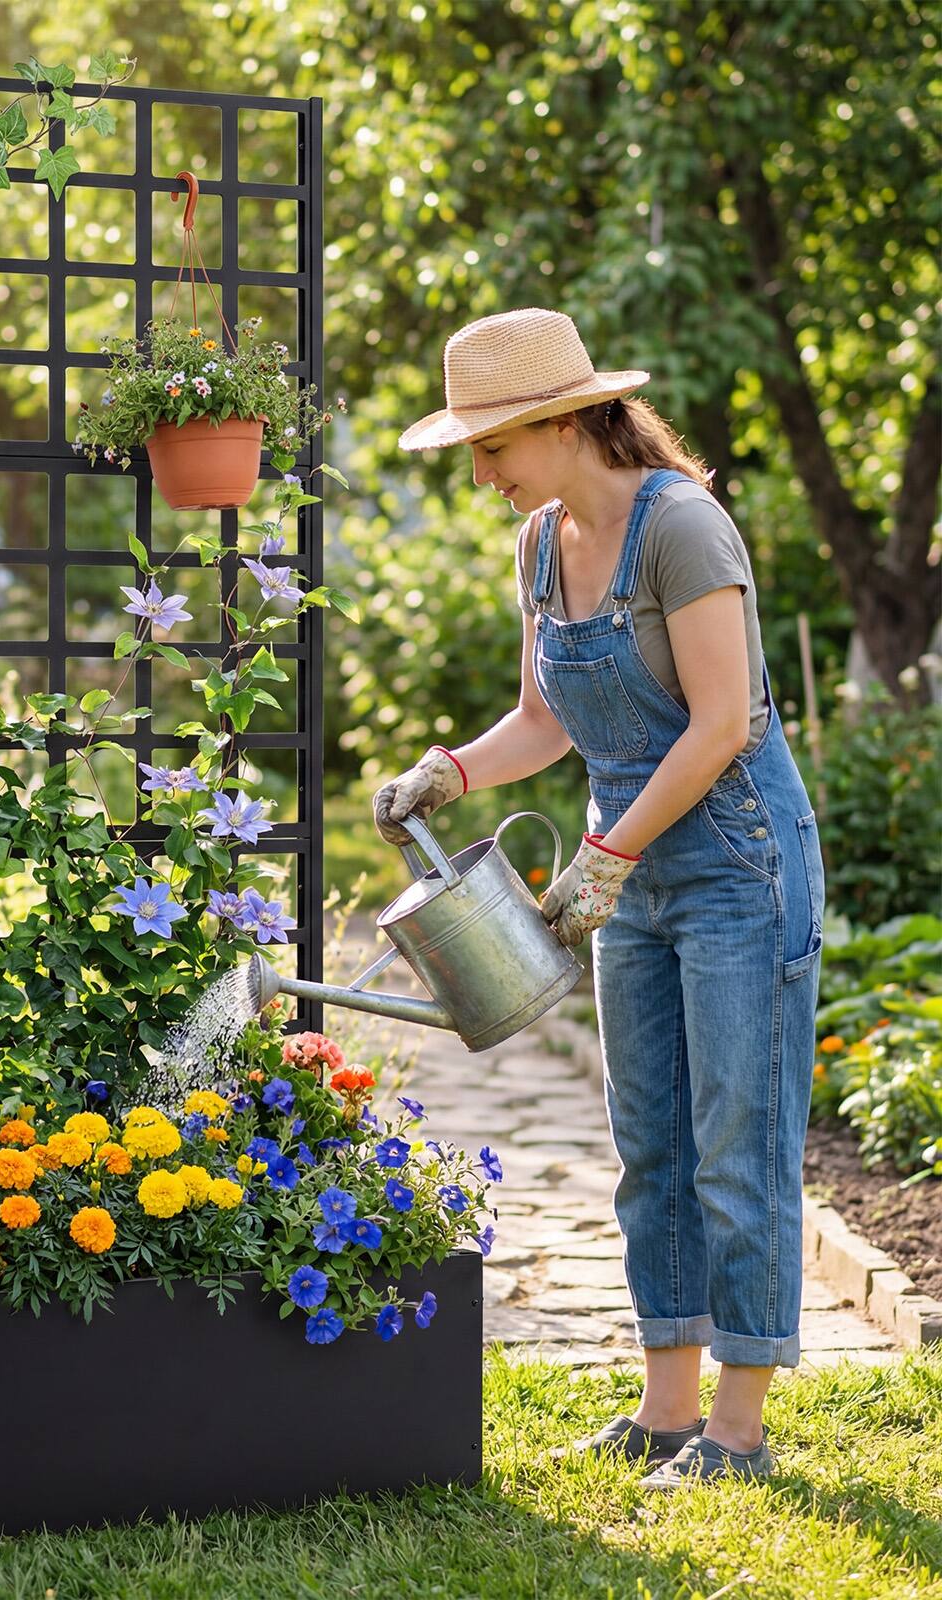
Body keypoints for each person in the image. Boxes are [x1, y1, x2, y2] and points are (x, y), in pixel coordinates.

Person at [382, 307, 825, 1489]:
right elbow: (542, 719)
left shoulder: (680, 527)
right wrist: (452, 768)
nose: (480, 473)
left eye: (492, 446)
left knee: (738, 1137)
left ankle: (739, 1426)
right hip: (624, 864)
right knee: (650, 1145)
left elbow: (721, 725)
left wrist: (607, 854)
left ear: (565, 420)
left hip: (736, 860)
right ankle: (664, 1409)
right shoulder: (541, 541)